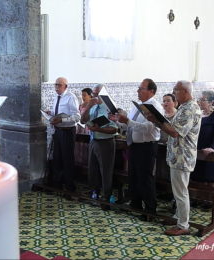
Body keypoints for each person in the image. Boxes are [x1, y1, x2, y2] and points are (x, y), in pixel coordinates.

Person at [145, 80, 201, 236]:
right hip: (177, 155)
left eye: (176, 90)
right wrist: (158, 122)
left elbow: (175, 132)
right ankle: (178, 217)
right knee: (178, 190)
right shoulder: (183, 107)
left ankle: (183, 225)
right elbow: (173, 128)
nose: (174, 92)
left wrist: (156, 121)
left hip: (183, 156)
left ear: (185, 91)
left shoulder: (190, 109)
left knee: (181, 192)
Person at [109, 78, 163, 220]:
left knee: (145, 178)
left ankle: (150, 210)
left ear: (151, 91)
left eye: (141, 89)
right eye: (138, 88)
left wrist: (127, 121)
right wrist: (120, 122)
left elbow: (148, 128)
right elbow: (130, 126)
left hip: (147, 146)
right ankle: (136, 204)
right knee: (134, 177)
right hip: (134, 145)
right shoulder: (137, 105)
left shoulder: (155, 106)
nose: (138, 91)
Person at [81, 84, 118, 210]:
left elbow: (114, 129)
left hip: (106, 142)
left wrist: (99, 130)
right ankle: (93, 193)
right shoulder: (92, 106)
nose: (95, 96)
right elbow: (82, 120)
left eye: (98, 94)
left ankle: (106, 198)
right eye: (94, 94)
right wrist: (88, 107)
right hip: (94, 141)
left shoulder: (109, 108)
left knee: (105, 171)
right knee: (93, 170)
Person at [48, 77, 81, 194]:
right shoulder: (56, 97)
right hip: (58, 131)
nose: (57, 87)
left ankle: (70, 186)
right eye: (55, 85)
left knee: (67, 159)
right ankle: (57, 184)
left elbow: (77, 117)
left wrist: (61, 121)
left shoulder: (71, 97)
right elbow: (57, 113)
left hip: (67, 131)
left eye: (59, 85)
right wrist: (50, 114)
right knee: (57, 158)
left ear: (65, 86)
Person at [190, 90, 214, 187]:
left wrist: (212, 147)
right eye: (199, 100)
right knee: (196, 177)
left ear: (210, 102)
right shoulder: (199, 114)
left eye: (202, 100)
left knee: (211, 178)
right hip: (199, 148)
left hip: (211, 149)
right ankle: (198, 199)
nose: (199, 102)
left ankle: (209, 200)